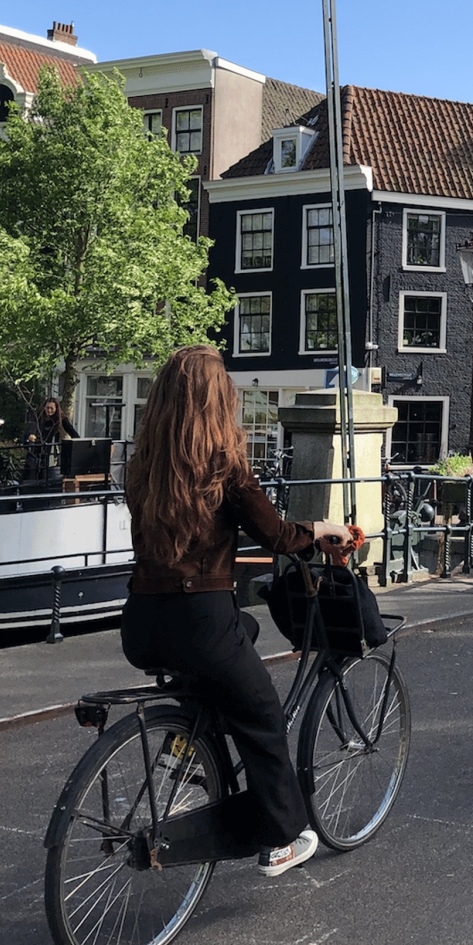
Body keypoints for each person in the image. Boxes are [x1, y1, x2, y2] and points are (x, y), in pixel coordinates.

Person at [120, 345, 352, 877]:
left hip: (142, 622)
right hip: (201, 621)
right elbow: (276, 535)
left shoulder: (143, 468)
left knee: (238, 635)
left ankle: (188, 745)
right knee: (263, 715)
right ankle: (282, 839)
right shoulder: (224, 465)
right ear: (218, 402)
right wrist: (320, 531)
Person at [25, 398, 79, 481]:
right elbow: (33, 426)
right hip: (39, 445)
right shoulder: (39, 415)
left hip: (51, 447)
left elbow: (70, 429)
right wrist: (31, 434)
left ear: (56, 409)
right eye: (47, 408)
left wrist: (78, 441)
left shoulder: (61, 417)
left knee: (48, 469)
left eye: (51, 408)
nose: (49, 410)